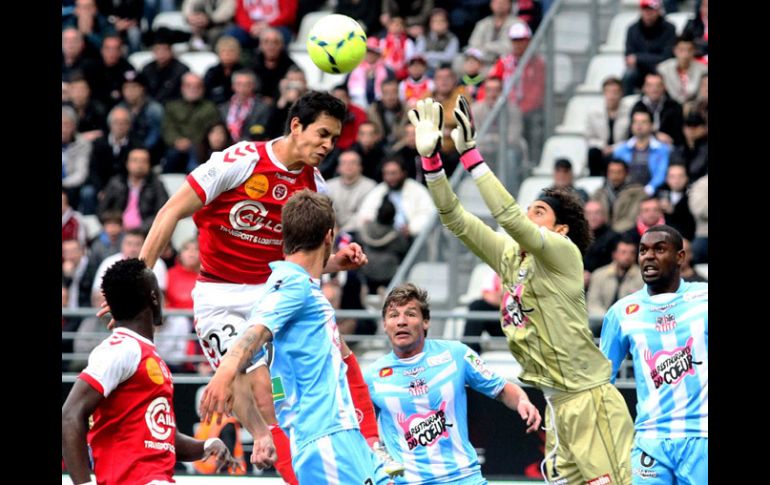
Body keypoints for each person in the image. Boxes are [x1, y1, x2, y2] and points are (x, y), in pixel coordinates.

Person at [99, 91, 402, 483]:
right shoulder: (240, 160)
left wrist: (334, 262)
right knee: (256, 385)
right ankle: (262, 438)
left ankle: (374, 447)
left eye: (334, 139)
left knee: (340, 354)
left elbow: (303, 264)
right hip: (219, 294)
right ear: (296, 126)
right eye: (323, 134)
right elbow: (171, 211)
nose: (328, 145)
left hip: (271, 289)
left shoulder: (315, 189)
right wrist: (137, 285)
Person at [409, 96, 634, 484]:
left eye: (539, 212)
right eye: (530, 210)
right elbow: (455, 219)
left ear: (561, 228)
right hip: (556, 404)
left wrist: (470, 154)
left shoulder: (563, 252)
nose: (529, 216)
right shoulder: (512, 256)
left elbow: (509, 217)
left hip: (589, 400)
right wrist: (432, 163)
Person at [199, 190, 391, 484]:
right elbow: (256, 331)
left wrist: (335, 263)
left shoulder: (287, 283)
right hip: (325, 437)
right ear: (329, 236)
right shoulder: (293, 286)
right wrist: (224, 372)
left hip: (337, 435)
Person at [62, 258, 246, 484]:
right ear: (153, 297)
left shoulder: (145, 354)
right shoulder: (119, 349)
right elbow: (69, 414)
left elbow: (164, 437)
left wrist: (206, 446)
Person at [365, 282, 541, 483]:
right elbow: (361, 431)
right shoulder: (372, 376)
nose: (401, 321)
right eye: (394, 315)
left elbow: (501, 388)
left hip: (464, 477)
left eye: (411, 314)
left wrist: (522, 400)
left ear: (426, 322)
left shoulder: (456, 354)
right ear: (385, 324)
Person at [600, 225, 707, 484]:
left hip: (701, 438)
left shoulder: (703, 298)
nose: (649, 256)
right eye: (643, 250)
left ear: (680, 257)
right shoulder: (622, 312)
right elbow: (602, 380)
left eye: (659, 249)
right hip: (650, 440)